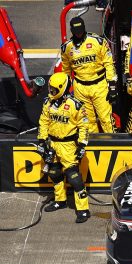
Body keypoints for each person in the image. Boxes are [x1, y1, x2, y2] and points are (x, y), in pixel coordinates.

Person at [37, 72, 91, 223]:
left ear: (62, 88)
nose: (51, 91)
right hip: (52, 143)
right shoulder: (47, 102)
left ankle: (83, 209)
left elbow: (84, 126)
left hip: (68, 146)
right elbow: (43, 122)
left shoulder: (76, 105)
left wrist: (82, 145)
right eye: (50, 88)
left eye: (54, 89)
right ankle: (60, 200)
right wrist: (41, 140)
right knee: (54, 172)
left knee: (74, 178)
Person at [61, 16, 117, 133]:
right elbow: (65, 71)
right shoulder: (67, 47)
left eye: (81, 31)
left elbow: (109, 63)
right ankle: (93, 147)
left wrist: (112, 86)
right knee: (87, 121)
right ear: (71, 31)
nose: (79, 34)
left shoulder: (98, 41)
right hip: (80, 87)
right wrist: (65, 91)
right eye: (76, 32)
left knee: (105, 119)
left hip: (99, 85)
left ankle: (113, 144)